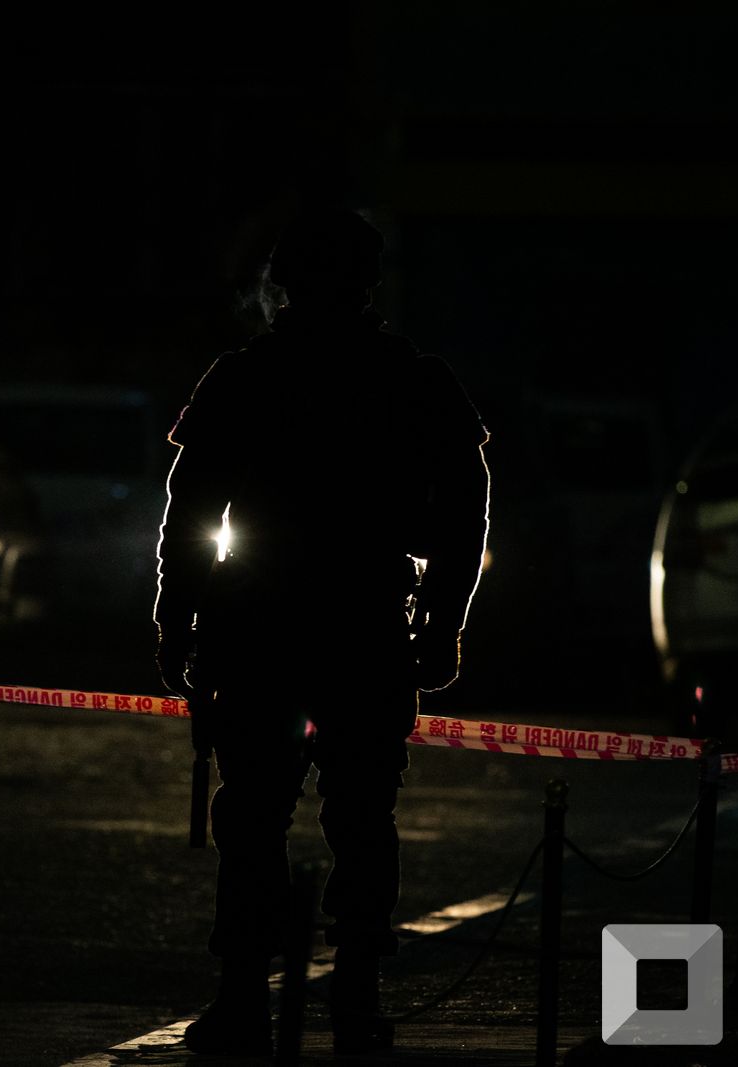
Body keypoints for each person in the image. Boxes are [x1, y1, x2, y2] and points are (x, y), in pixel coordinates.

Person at [153, 208, 490, 1056]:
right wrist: (442, 624)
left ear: (285, 281)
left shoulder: (244, 376)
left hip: (256, 631)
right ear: (369, 282)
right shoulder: (412, 380)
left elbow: (190, 513)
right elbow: (464, 512)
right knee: (363, 817)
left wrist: (176, 620)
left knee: (252, 819)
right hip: (363, 629)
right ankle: (357, 995)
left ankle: (242, 997)